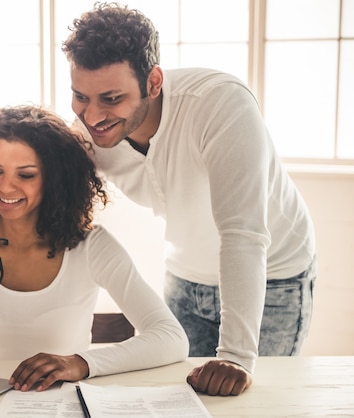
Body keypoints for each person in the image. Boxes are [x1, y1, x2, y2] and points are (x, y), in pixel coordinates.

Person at [62, 2, 317, 397]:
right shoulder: (86, 132)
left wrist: (235, 356)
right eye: (81, 96)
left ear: (154, 82)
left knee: (249, 404)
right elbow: (36, 184)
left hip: (274, 278)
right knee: (180, 403)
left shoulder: (220, 104)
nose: (92, 116)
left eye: (111, 98)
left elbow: (242, 233)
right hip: (184, 277)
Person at [0, 105, 189, 392]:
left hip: (63, 406)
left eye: (25, 175)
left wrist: (80, 363)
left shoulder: (91, 247)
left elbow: (170, 337)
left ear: (53, 178)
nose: (5, 187)